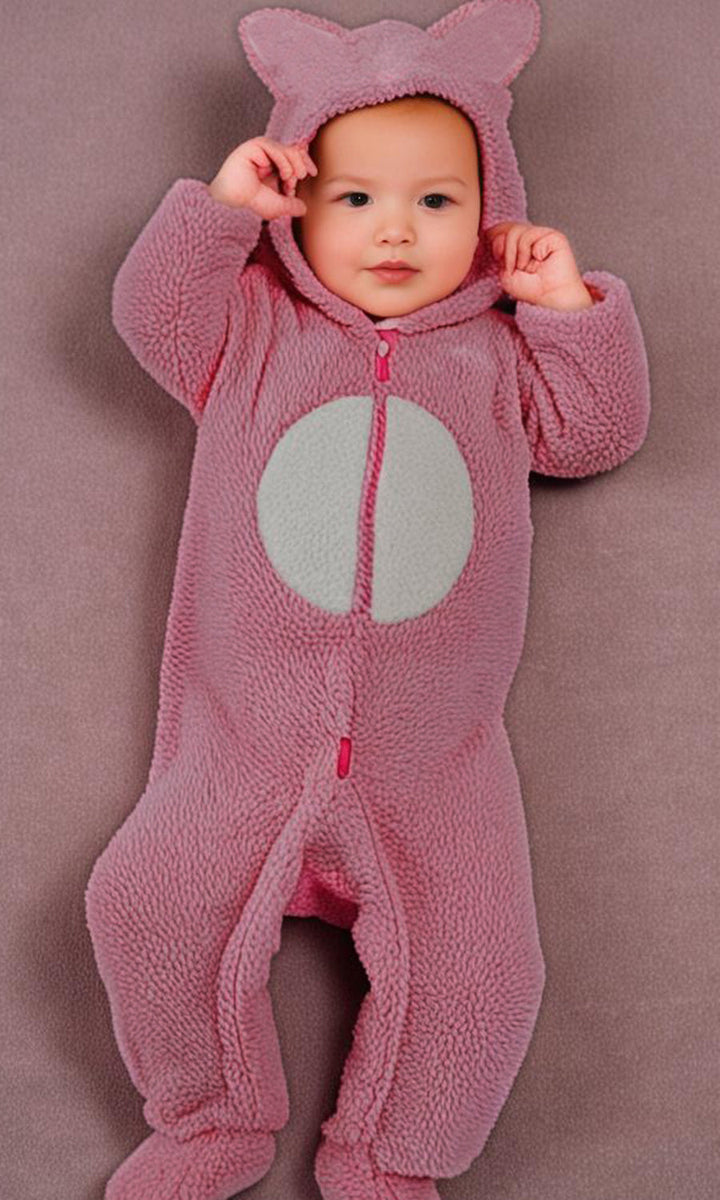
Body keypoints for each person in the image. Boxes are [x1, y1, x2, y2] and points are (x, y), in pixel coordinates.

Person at [84, 3, 651, 1199]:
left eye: (437, 201)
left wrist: (564, 310)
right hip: (244, 747)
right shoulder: (249, 333)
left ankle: (393, 1155)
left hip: (433, 765)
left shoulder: (496, 361)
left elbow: (594, 433)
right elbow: (153, 314)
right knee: (144, 905)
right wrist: (219, 212)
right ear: (298, 206)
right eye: (355, 198)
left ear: (492, 212)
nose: (396, 228)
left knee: (485, 975)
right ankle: (210, 1119)